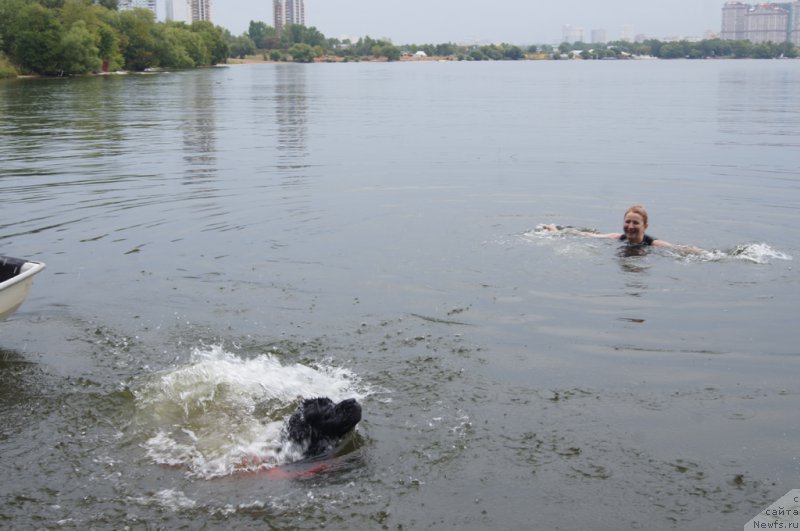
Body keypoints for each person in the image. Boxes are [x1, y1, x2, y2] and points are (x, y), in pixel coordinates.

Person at [543, 204, 673, 247]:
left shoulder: (653, 244)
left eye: (635, 223)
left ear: (645, 226)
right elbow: (587, 235)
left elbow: (680, 249)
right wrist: (556, 231)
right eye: (627, 221)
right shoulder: (617, 238)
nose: (630, 226)